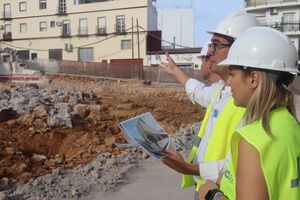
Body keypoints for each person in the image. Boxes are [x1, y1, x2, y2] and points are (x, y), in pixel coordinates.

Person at [159, 11, 260, 199]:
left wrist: (189, 168)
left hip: (221, 190)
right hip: (207, 184)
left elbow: (235, 165)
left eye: (216, 45)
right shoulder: (220, 90)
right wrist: (175, 70)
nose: (210, 51)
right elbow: (196, 91)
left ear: (241, 48)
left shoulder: (250, 105)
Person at [199, 26, 300, 200]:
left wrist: (211, 195)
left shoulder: (253, 140)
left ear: (253, 78)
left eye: (232, 74)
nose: (229, 83)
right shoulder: (290, 123)